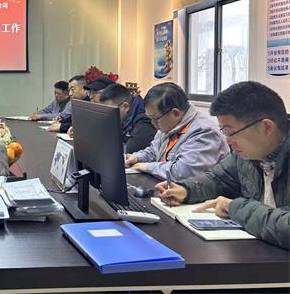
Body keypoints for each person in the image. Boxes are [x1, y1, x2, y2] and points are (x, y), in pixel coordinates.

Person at [156, 82, 289, 250]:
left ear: (266, 127)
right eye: (224, 132)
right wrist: (186, 190)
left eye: (230, 132)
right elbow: (217, 179)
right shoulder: (246, 155)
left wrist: (234, 207)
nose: (228, 140)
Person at [125, 82, 229, 181]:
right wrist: (137, 157)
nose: (153, 123)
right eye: (150, 118)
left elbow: (183, 172)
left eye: (155, 118)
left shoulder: (205, 133)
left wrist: (147, 167)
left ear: (175, 113)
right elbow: (154, 151)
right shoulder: (168, 126)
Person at [99, 83, 156, 153]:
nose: (106, 116)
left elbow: (129, 151)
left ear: (125, 107)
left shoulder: (144, 122)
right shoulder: (126, 118)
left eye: (109, 111)